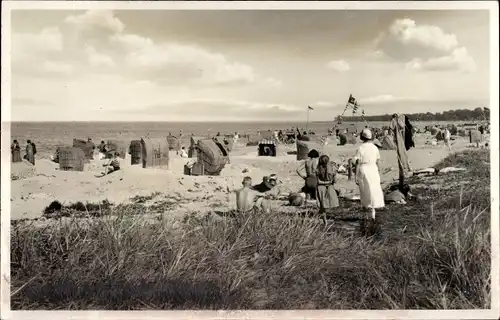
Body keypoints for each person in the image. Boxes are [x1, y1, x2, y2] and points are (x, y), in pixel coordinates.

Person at [354, 128, 385, 220]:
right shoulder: (375, 147)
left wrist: (356, 175)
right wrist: (379, 171)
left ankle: (366, 213)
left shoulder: (360, 148)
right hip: (373, 169)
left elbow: (358, 162)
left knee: (364, 191)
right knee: (374, 190)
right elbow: (378, 161)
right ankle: (373, 213)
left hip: (364, 168)